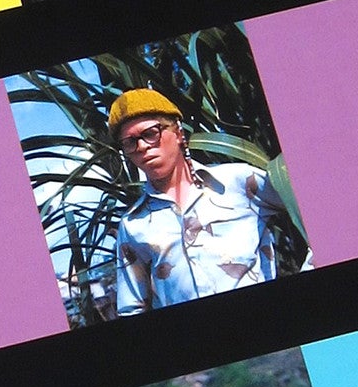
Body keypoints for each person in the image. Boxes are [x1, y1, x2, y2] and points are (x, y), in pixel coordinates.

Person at [107, 88, 287, 314]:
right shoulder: (134, 224)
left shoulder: (238, 182)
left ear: (178, 132)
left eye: (151, 133)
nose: (142, 146)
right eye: (129, 142)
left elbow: (316, 206)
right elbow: (131, 307)